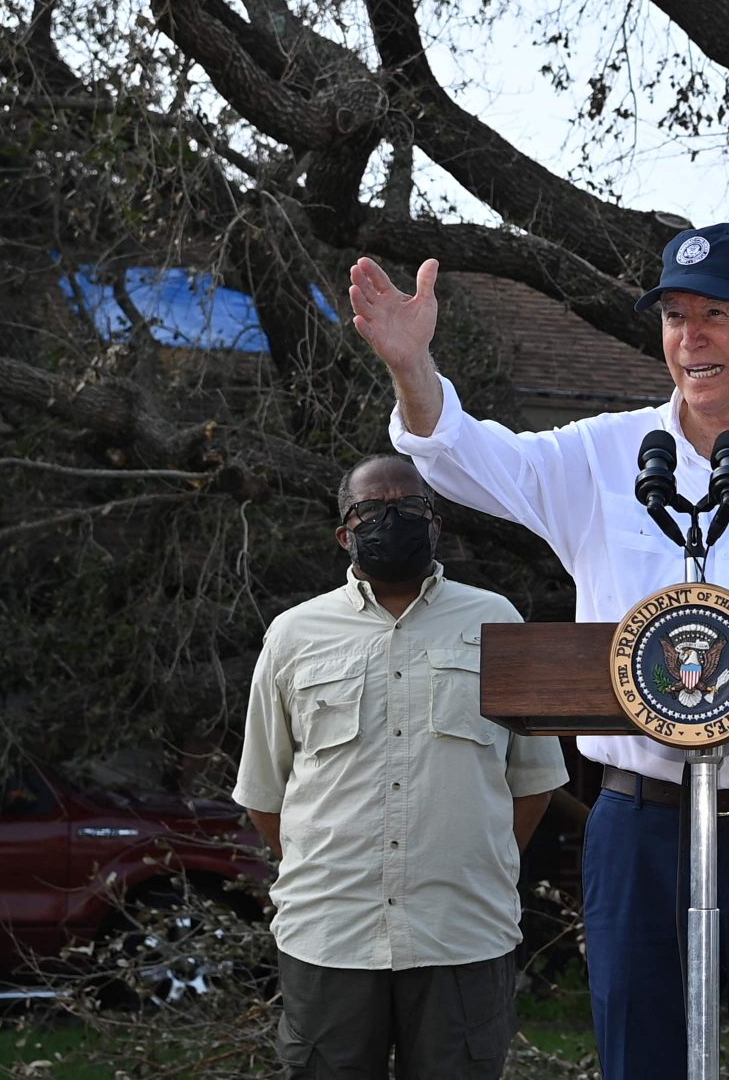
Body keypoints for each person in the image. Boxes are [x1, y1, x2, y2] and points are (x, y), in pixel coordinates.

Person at [350, 222, 729, 1080]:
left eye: (717, 314)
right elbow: (464, 459)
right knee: (640, 1061)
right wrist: (412, 367)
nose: (690, 337)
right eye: (673, 317)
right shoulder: (607, 455)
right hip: (642, 826)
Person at [237, 455, 572, 1080]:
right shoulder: (292, 635)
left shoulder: (495, 621)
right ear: (345, 532)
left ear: (435, 524)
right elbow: (263, 792)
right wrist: (327, 864)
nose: (393, 519)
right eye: (372, 510)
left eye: (409, 507)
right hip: (329, 932)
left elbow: (534, 783)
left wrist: (477, 859)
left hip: (462, 932)